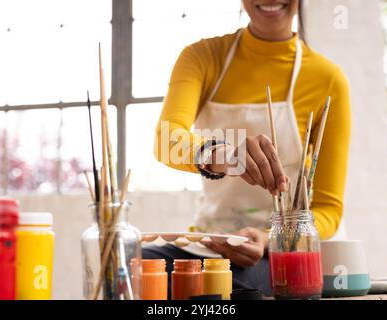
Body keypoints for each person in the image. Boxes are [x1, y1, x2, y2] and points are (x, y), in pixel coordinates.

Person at [145, 0, 351, 296]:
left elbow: (328, 210)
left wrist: (269, 238)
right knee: (136, 265)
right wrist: (226, 155)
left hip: (283, 248)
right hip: (210, 240)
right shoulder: (202, 57)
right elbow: (166, 140)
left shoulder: (328, 80)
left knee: (233, 284)